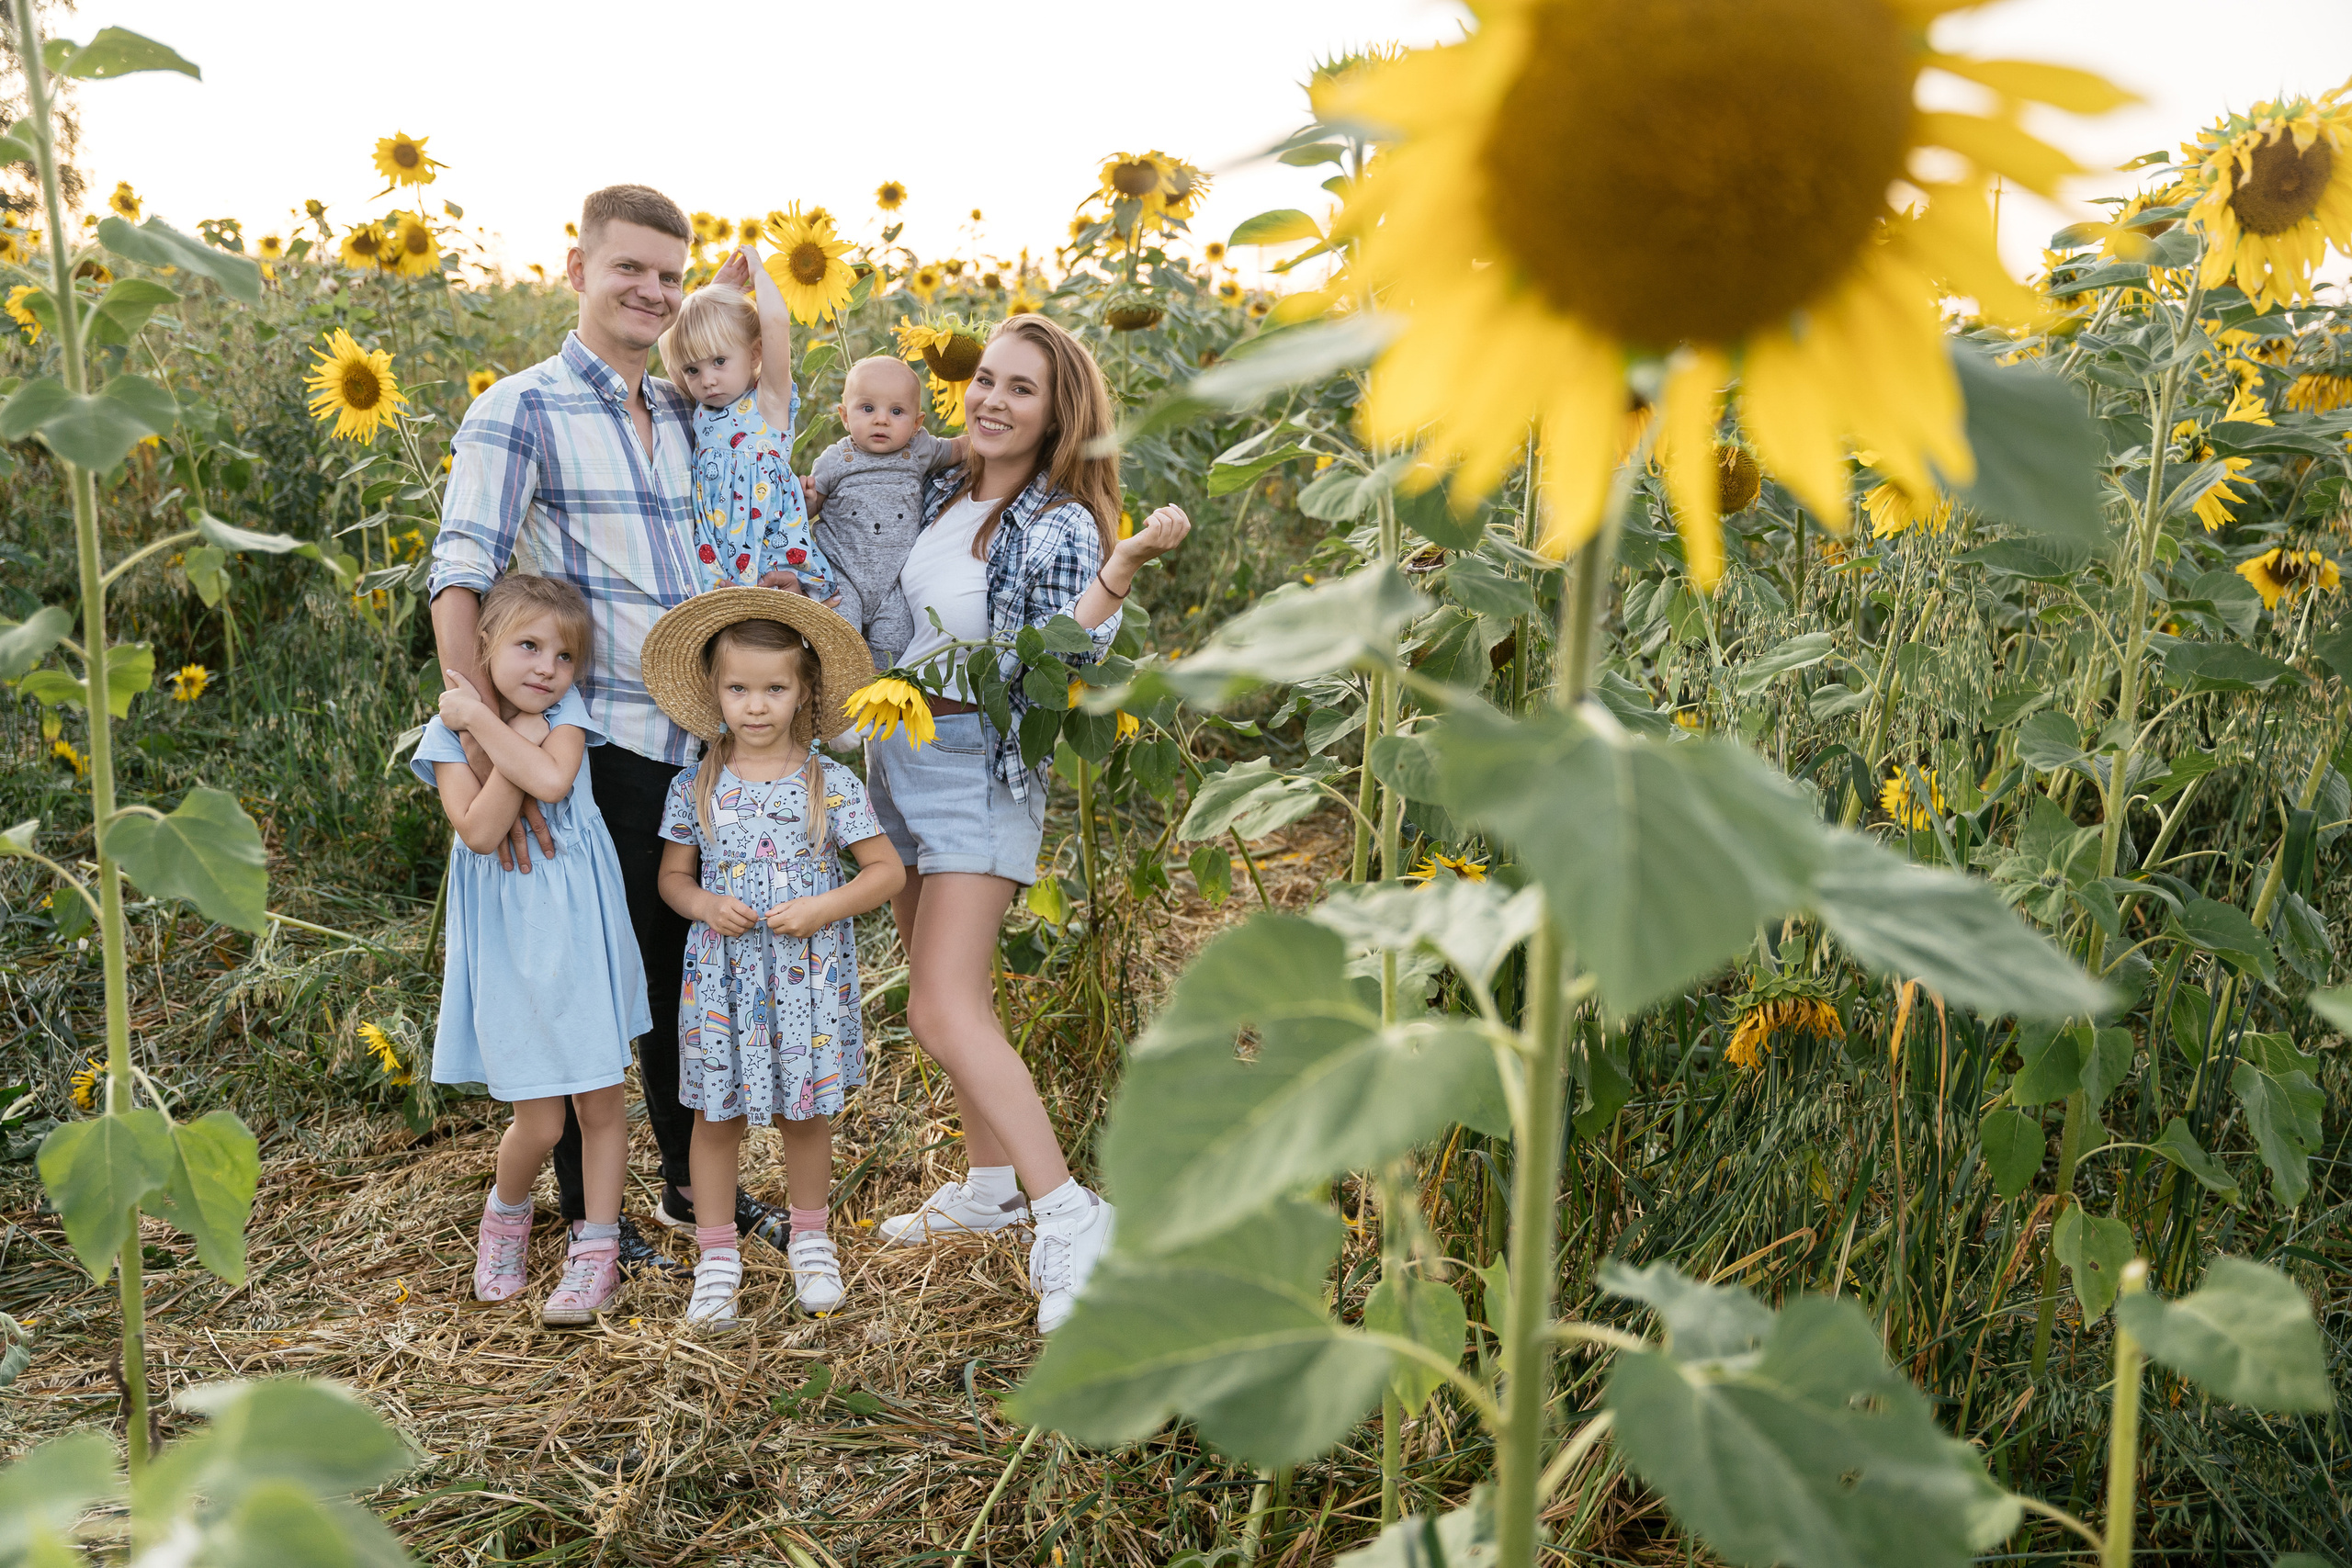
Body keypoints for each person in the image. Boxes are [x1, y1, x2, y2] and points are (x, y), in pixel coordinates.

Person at [429, 185, 793, 1273]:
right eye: (629, 267)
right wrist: (483, 736)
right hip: (596, 744)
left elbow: (773, 390)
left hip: (700, 743)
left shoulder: (691, 408)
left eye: (669, 276)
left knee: (684, 974)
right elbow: (462, 574)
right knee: (589, 973)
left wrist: (747, 301)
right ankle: (591, 1216)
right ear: (578, 267)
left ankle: (689, 1190)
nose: (651, 292)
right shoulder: (522, 408)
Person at [862, 314, 1191, 1333]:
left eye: (1020, 390)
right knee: (941, 994)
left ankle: (1069, 1216)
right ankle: (992, 1186)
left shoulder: (1059, 525)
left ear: (1059, 414)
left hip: (975, 769)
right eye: (986, 381)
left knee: (941, 1009)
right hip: (896, 757)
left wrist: (1120, 573)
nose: (991, 400)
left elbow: (1061, 660)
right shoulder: (941, 488)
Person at [640, 591, 901, 1326]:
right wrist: (702, 905)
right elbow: (672, 878)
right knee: (716, 1114)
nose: (755, 705)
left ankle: (811, 1240)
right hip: (725, 978)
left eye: (774, 688)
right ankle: (717, 1254)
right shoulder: (696, 785)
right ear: (714, 691)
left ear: (804, 692)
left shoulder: (831, 783)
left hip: (806, 979)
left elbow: (886, 873)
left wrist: (822, 906)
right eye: (738, 688)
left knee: (805, 1112)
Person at [413, 574, 645, 1326]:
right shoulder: (448, 734)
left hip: (579, 928)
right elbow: (478, 831)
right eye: (528, 645)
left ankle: (596, 1251)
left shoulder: (563, 717)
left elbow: (553, 776)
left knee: (602, 1101)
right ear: (485, 648)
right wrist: (487, 731)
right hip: (513, 939)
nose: (547, 667)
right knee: (541, 1121)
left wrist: (488, 723)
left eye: (565, 655)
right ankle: (506, 1218)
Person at [661, 246, 840, 599]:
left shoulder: (769, 401)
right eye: (693, 370)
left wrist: (759, 272)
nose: (707, 379)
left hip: (769, 552)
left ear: (755, 354)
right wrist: (715, 293)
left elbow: (775, 324)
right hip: (715, 558)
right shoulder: (702, 406)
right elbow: (672, 348)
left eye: (719, 361)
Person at [807, 356, 967, 669]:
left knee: (895, 646)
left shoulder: (920, 450)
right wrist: (809, 498)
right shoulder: (836, 459)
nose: (881, 420)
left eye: (896, 412)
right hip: (842, 574)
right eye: (867, 409)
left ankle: (876, 698)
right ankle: (835, 699)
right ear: (844, 416)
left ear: (918, 423)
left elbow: (962, 448)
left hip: (894, 582)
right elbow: (812, 510)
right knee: (838, 637)